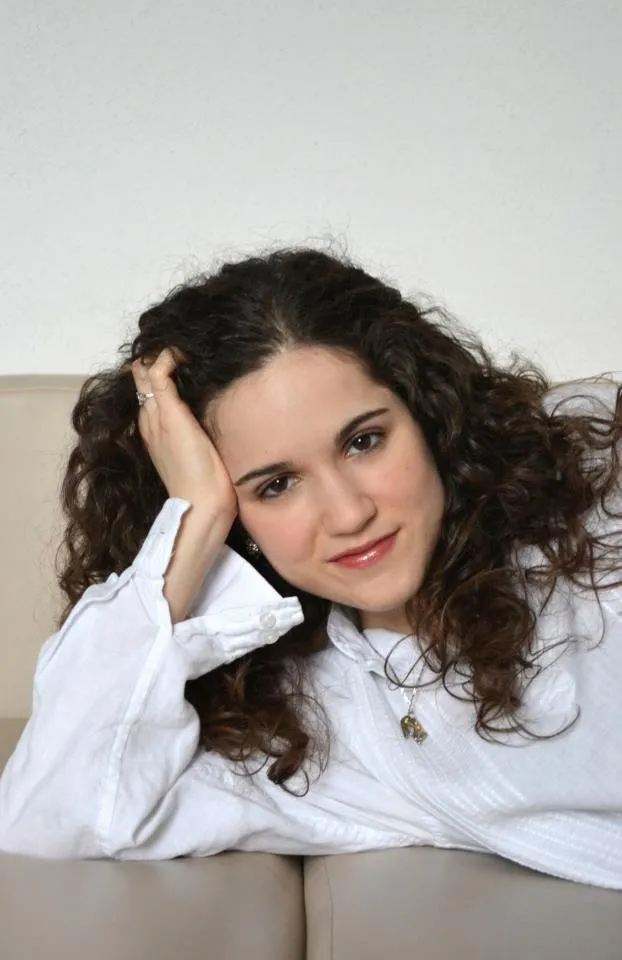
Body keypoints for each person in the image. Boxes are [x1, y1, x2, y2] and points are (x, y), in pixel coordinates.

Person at [0, 246, 621, 888]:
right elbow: (49, 816)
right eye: (276, 485)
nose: (349, 513)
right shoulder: (306, 726)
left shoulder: (594, 482)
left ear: (429, 415)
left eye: (364, 442)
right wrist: (195, 520)